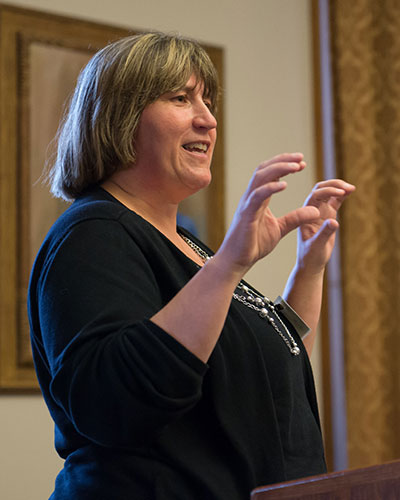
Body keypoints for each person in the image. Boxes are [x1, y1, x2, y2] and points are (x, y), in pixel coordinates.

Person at [28, 32, 355, 500]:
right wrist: (230, 265)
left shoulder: (190, 247)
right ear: (120, 116)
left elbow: (270, 355)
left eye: (207, 101)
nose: (208, 119)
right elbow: (113, 402)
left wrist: (311, 267)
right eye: (181, 98)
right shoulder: (93, 233)